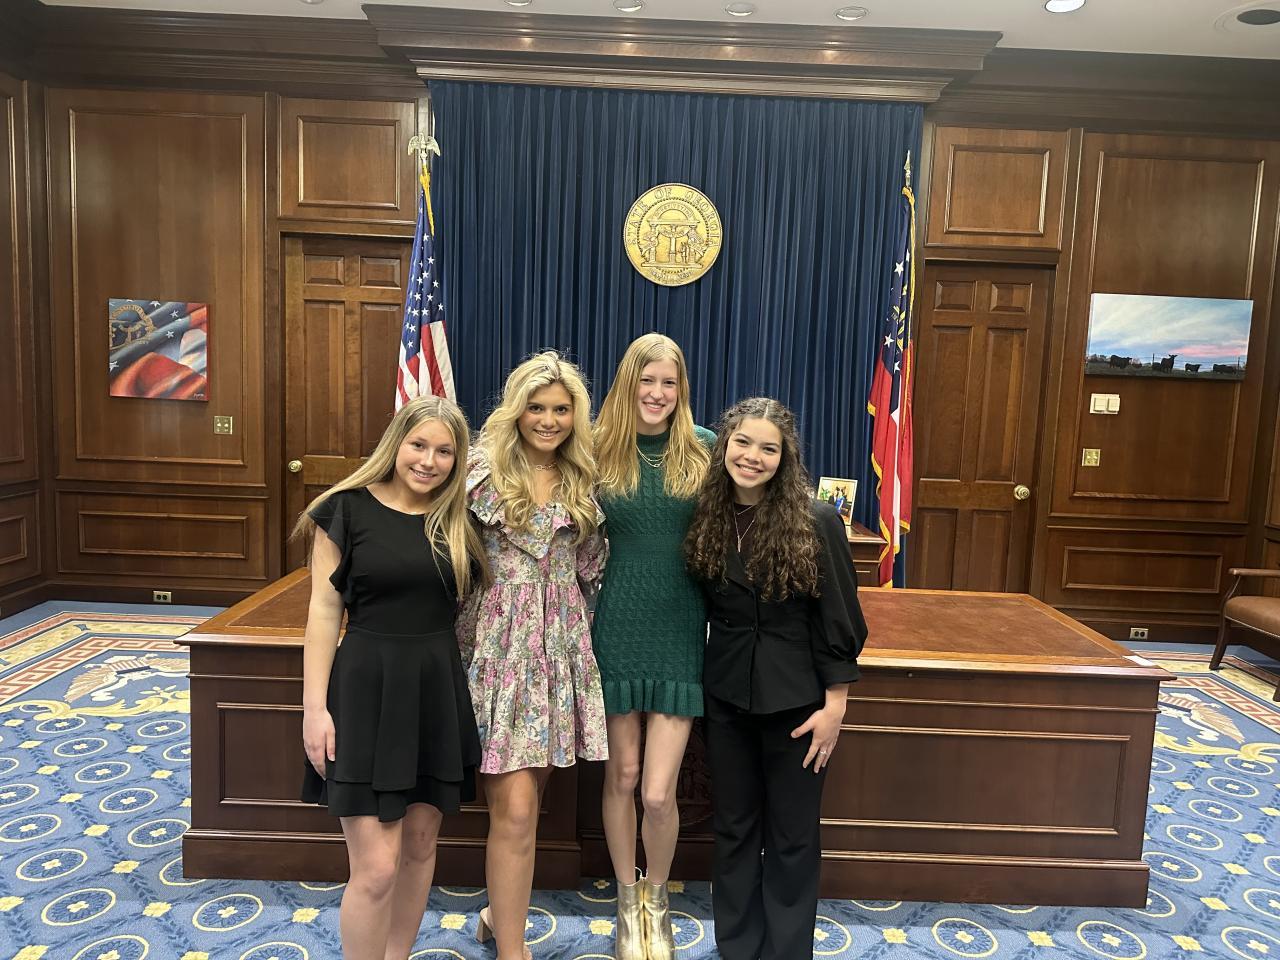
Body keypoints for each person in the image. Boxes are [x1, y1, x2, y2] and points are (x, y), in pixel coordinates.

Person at [295, 395, 489, 960]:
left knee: (421, 848)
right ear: (395, 443)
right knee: (376, 867)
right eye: (418, 445)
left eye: (445, 451)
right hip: (366, 692)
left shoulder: (460, 520)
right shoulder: (344, 509)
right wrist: (314, 709)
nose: (429, 461)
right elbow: (323, 613)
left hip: (435, 692)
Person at [684, 397, 867, 960]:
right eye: (742, 442)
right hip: (726, 698)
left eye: (768, 448)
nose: (752, 456)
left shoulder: (815, 519)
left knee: (792, 837)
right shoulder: (707, 513)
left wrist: (835, 705)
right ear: (724, 445)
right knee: (734, 829)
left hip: (798, 705)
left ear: (785, 458)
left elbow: (840, 617)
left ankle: (787, 951)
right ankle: (738, 946)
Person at [458, 351, 610, 960]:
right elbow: (448, 556)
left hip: (561, 649)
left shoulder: (584, 479)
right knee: (516, 811)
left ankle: (497, 914)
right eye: (537, 408)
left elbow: (592, 568)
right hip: (497, 649)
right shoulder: (478, 471)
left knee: (530, 803)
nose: (549, 420)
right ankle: (513, 949)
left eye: (561, 409)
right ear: (516, 410)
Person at [591, 333, 714, 960]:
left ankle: (657, 900)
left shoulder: (705, 450)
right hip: (615, 625)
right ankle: (624, 902)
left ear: (681, 389)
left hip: (680, 626)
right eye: (647, 380)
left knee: (659, 792)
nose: (657, 393)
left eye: (669, 382)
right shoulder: (595, 448)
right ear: (627, 382)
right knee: (624, 774)